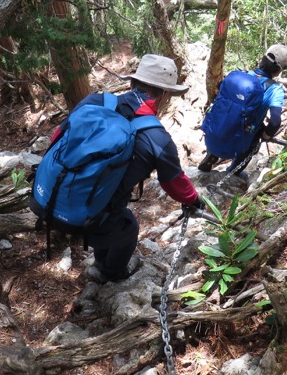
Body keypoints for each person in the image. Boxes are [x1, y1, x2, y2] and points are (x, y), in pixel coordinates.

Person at [50, 54, 205, 282]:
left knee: (111, 214)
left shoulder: (94, 102)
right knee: (128, 227)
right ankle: (111, 273)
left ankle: (100, 261)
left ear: (132, 83)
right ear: (163, 95)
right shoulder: (157, 137)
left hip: (56, 200)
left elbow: (58, 136)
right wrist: (193, 200)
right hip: (91, 218)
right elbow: (173, 181)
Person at [198, 44, 287, 173]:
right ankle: (233, 172)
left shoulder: (240, 76)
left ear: (262, 59)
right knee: (256, 135)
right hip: (241, 139)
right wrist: (265, 136)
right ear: (279, 69)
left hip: (215, 132)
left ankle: (212, 154)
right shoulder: (275, 90)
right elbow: (275, 122)